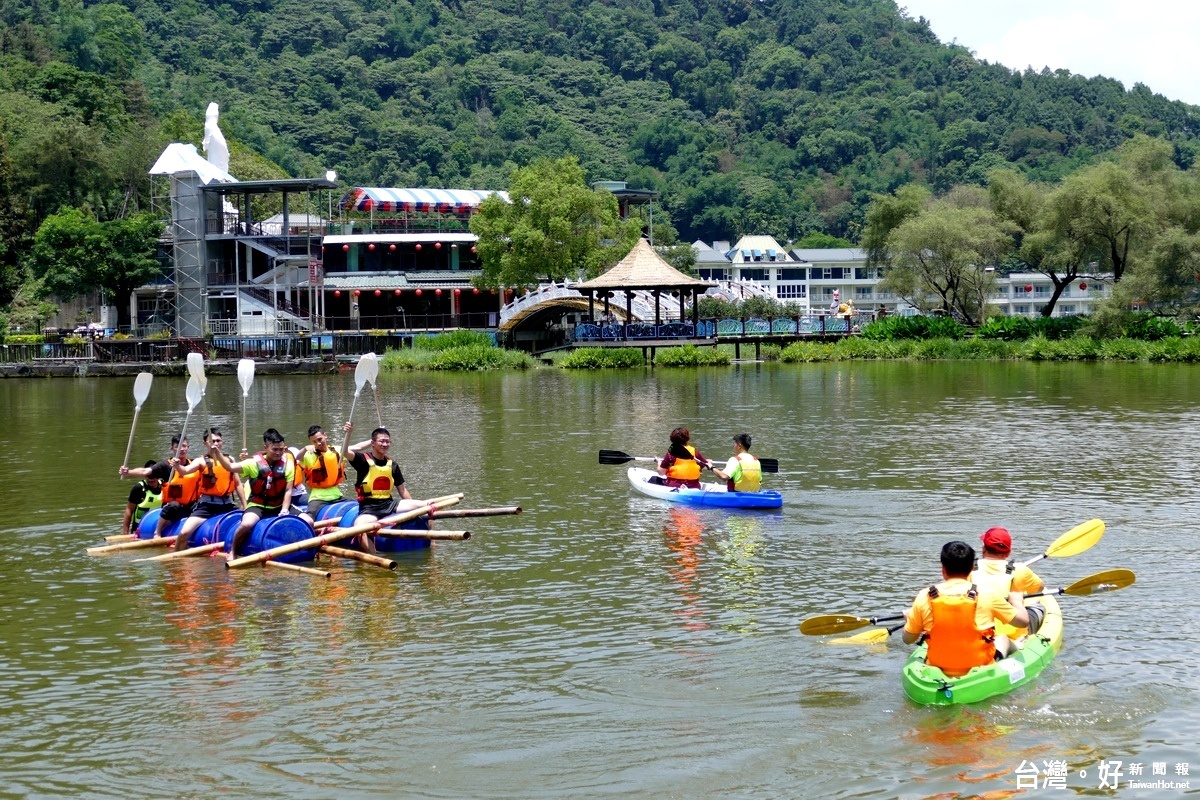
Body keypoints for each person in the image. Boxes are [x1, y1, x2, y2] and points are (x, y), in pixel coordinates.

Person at [902, 541, 1033, 677]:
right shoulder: (987, 594)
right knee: (1002, 638)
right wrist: (1017, 601)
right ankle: (1017, 646)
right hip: (980, 666)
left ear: (943, 569)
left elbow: (908, 639)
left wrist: (909, 621)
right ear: (971, 568)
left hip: (938, 665)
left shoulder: (925, 596)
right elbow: (1022, 622)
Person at [210, 428, 297, 560]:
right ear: (266, 447)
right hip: (258, 504)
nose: (279, 453)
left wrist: (285, 510)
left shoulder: (288, 464)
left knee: (308, 520)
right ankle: (233, 550)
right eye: (275, 449)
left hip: (279, 505)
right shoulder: (253, 463)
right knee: (246, 524)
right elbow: (230, 468)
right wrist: (218, 454)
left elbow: (288, 490)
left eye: (281, 449)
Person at [169, 428, 246, 550]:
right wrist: (177, 465)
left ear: (222, 442)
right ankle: (177, 561)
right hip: (207, 506)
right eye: (212, 441)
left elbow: (237, 484)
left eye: (218, 441)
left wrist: (244, 505)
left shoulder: (230, 460)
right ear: (205, 444)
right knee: (184, 533)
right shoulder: (200, 461)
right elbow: (185, 471)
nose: (216, 443)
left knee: (247, 526)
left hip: (227, 504)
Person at [343, 423, 417, 551]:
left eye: (387, 442)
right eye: (382, 441)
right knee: (358, 528)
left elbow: (402, 490)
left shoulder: (392, 464)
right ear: (373, 443)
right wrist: (348, 434)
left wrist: (414, 511)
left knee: (427, 507)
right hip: (369, 509)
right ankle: (374, 556)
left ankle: (432, 546)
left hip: (389, 505)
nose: (385, 444)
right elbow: (344, 452)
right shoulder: (362, 460)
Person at [969, 526, 1046, 639]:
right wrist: (1017, 599)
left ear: (983, 549)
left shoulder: (968, 568)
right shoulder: (1020, 569)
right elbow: (1039, 588)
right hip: (1013, 633)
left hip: (980, 632)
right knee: (1039, 605)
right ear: (1008, 552)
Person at [120, 436, 199, 539]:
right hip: (172, 508)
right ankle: (157, 531)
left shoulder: (194, 464)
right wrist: (129, 472)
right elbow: (146, 471)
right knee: (174, 505)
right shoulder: (165, 466)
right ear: (172, 448)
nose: (182, 449)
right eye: (178, 446)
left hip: (190, 506)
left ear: (188, 447)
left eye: (184, 446)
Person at [298, 424, 346, 523]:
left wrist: (375, 442)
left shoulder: (336, 450)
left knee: (357, 506)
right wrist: (304, 449)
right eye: (314, 442)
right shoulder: (308, 454)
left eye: (320, 439)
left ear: (325, 435)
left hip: (337, 495)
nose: (318, 443)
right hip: (318, 497)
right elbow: (296, 459)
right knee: (308, 519)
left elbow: (357, 448)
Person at [120, 460, 163, 537]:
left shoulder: (165, 485)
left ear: (159, 475)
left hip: (159, 529)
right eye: (148, 476)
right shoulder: (139, 488)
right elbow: (129, 511)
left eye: (154, 476)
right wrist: (125, 534)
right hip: (139, 529)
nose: (151, 479)